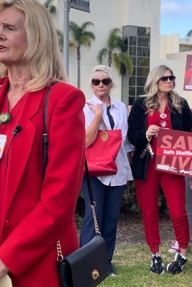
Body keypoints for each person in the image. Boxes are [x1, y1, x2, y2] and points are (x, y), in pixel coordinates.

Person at [0, 0, 86, 287]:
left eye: (9, 28)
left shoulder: (63, 100)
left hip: (38, 266)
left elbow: (58, 203)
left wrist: (4, 260)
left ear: (36, 38)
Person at [128, 64, 192, 275]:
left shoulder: (180, 104)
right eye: (165, 78)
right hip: (148, 166)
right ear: (155, 80)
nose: (169, 81)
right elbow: (132, 135)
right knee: (149, 212)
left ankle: (182, 253)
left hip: (173, 166)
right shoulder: (140, 105)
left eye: (171, 77)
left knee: (178, 212)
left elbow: (189, 136)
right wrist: (146, 133)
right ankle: (154, 253)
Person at [80, 65, 133, 276]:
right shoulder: (85, 107)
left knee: (111, 219)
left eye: (105, 81)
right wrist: (98, 114)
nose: (100, 85)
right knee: (92, 217)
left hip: (117, 170)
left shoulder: (121, 107)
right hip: (93, 171)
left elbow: (126, 142)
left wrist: (128, 171)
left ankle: (105, 262)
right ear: (92, 85)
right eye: (96, 81)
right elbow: (86, 140)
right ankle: (85, 263)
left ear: (111, 84)